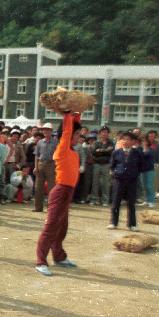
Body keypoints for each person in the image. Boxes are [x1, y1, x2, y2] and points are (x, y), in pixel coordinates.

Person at [35, 110, 82, 276]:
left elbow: (73, 128)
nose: (78, 137)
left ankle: (59, 257)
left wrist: (78, 114)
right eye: (76, 134)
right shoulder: (62, 148)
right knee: (51, 226)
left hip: (68, 192)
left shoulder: (74, 151)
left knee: (62, 227)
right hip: (60, 191)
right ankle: (40, 261)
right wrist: (68, 114)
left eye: (79, 134)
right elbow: (67, 130)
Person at [108, 132, 143, 230]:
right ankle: (113, 223)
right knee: (116, 202)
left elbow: (141, 166)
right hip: (119, 180)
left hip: (132, 180)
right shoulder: (116, 152)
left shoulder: (137, 153)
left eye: (128, 139)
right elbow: (112, 165)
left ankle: (132, 224)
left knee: (131, 203)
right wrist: (114, 173)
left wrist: (134, 173)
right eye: (124, 139)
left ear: (133, 141)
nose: (125, 141)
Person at [32, 122, 57, 212]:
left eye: (48, 130)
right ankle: (38, 207)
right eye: (44, 130)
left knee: (51, 188)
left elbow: (58, 155)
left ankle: (51, 208)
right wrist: (35, 166)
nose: (46, 131)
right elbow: (36, 155)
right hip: (41, 164)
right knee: (38, 187)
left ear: (51, 131)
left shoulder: (56, 142)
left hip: (51, 164)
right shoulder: (39, 142)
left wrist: (56, 167)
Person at [89, 127, 114, 206]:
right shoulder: (96, 142)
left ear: (108, 133)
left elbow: (111, 152)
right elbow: (93, 152)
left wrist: (100, 151)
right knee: (95, 182)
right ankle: (94, 199)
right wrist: (105, 150)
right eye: (102, 132)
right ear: (100, 133)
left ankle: (105, 200)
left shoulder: (111, 142)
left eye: (106, 132)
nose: (104, 134)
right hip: (97, 164)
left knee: (106, 183)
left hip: (106, 164)